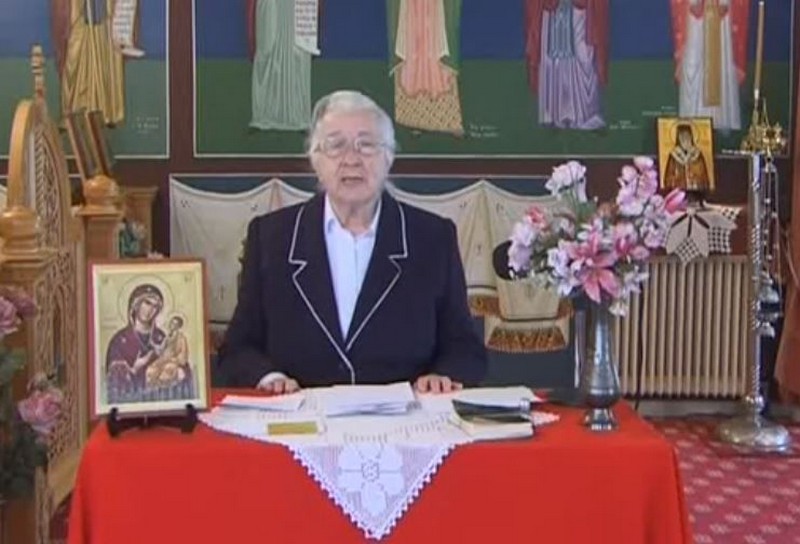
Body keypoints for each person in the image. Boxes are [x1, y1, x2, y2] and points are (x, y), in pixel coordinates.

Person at [218, 90, 487, 394]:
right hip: (299, 412)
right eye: (336, 146)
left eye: (366, 145)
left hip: (405, 415)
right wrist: (269, 378)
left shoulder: (432, 238)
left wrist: (443, 375)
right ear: (315, 159)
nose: (351, 160)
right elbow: (238, 349)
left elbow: (464, 348)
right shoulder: (272, 238)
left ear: (389, 157)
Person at [105, 284, 167, 402]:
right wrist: (134, 369)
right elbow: (114, 383)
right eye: (147, 303)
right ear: (136, 304)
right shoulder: (119, 341)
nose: (150, 310)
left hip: (159, 402)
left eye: (155, 306)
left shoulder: (161, 338)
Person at [146, 315, 192, 390]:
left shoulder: (181, 338)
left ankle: (166, 391)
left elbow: (183, 354)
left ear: (178, 326)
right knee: (151, 369)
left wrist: (174, 359)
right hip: (163, 359)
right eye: (172, 323)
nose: (172, 325)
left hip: (173, 360)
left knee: (167, 370)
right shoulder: (168, 337)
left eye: (175, 324)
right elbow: (161, 349)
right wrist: (153, 345)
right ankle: (153, 390)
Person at [663, 123, 712, 192]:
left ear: (691, 136)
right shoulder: (674, 155)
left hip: (696, 192)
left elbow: (703, 176)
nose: (684, 138)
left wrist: (695, 178)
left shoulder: (697, 154)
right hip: (679, 192)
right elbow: (668, 178)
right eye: (681, 136)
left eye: (687, 135)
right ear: (678, 138)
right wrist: (677, 179)